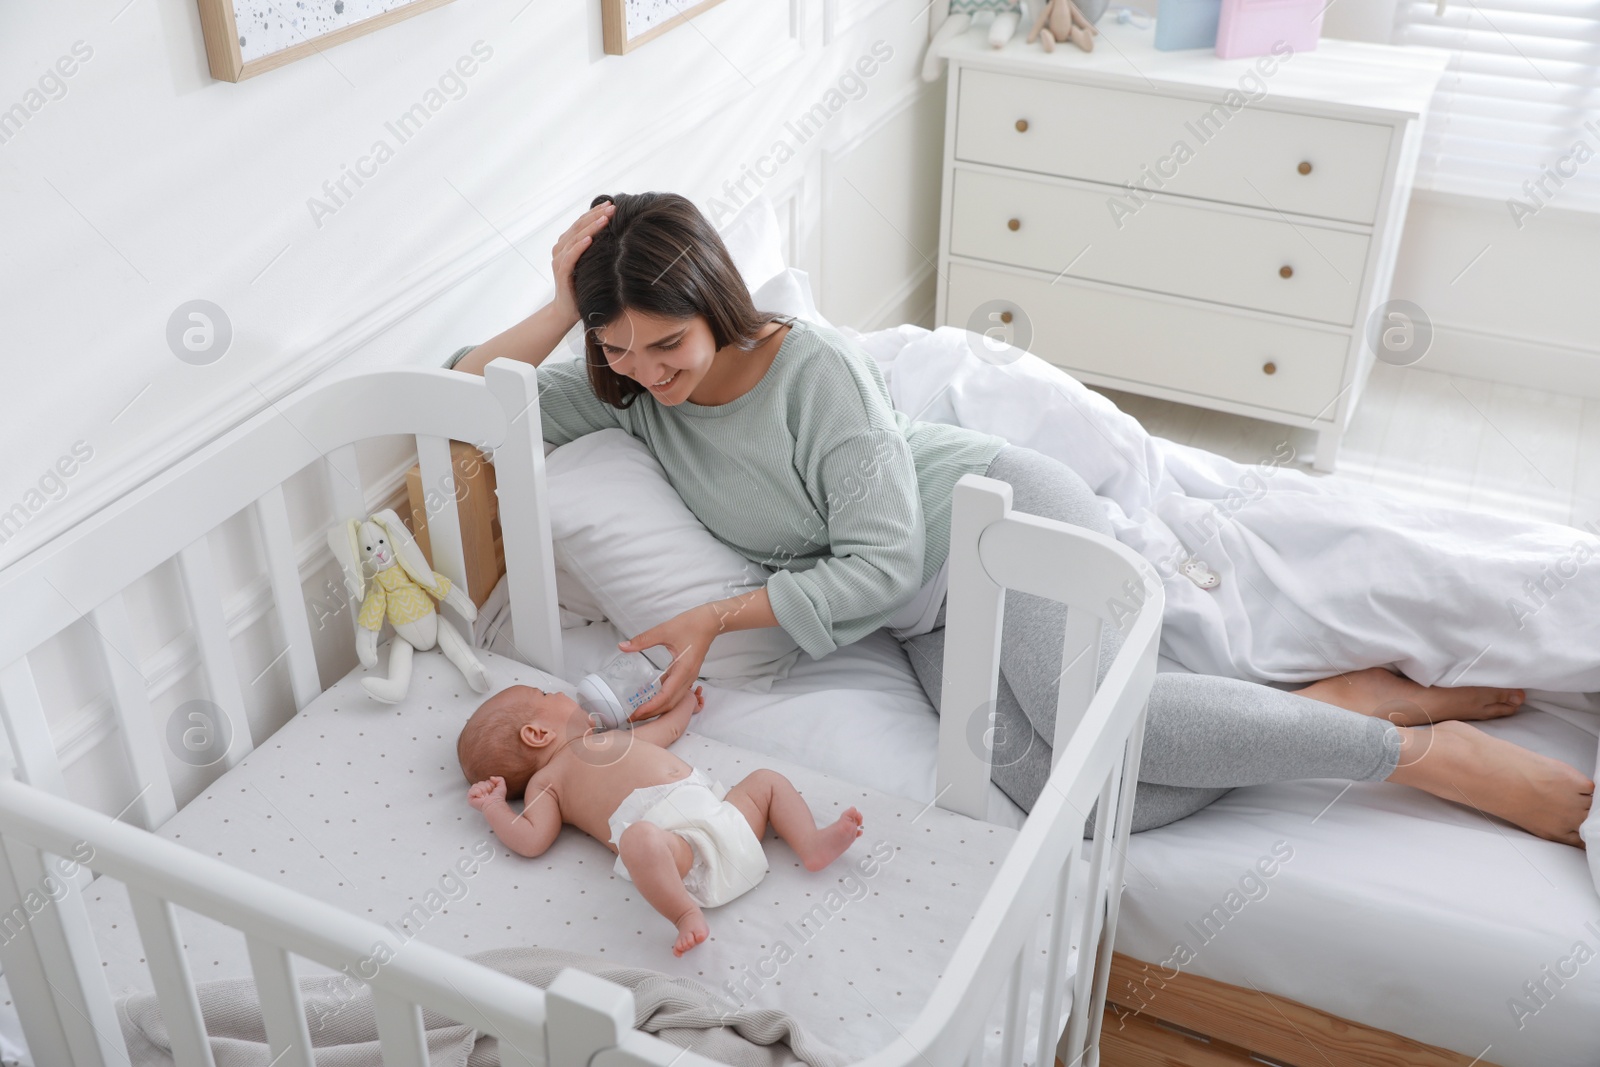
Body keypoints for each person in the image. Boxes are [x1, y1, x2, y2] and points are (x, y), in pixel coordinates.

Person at [448, 191, 1593, 847]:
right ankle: (1327, 703)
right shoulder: (628, 397)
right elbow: (464, 389)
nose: (646, 371)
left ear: (716, 306)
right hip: (907, 614)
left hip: (986, 525)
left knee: (1094, 720)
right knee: (1073, 795)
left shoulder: (813, 373)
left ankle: (1418, 753)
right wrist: (563, 303)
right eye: (617, 348)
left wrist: (717, 614)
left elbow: (888, 548)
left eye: (666, 343)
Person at [459, 681, 864, 956]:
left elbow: (667, 731)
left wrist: (686, 703)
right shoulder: (547, 783)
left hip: (725, 818)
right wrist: (495, 808)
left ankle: (810, 844)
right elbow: (531, 840)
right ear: (537, 734)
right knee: (639, 840)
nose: (564, 693)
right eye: (547, 693)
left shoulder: (605, 739)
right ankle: (685, 912)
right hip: (680, 854)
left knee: (766, 781)